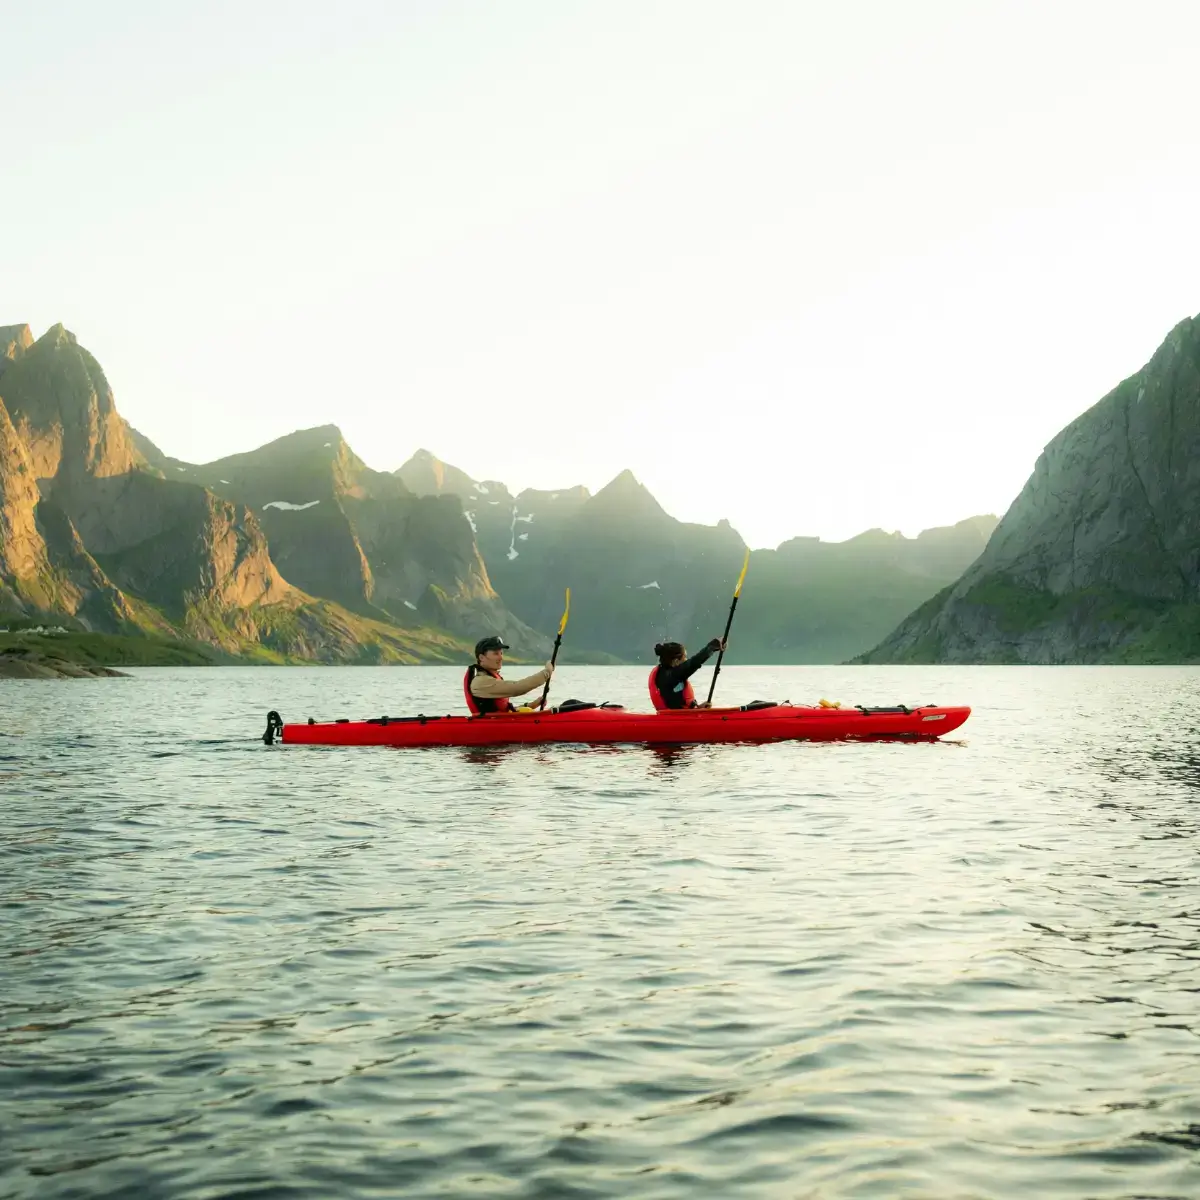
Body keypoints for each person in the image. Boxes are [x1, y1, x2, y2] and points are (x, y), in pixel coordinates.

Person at [463, 636, 555, 715]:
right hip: (492, 726)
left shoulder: (490, 678)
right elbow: (517, 688)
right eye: (496, 653)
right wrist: (547, 672)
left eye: (501, 653)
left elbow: (506, 710)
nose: (501, 657)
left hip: (499, 723)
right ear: (481, 657)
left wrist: (533, 705)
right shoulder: (481, 682)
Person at [648, 638, 726, 710]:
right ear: (676, 661)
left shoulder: (665, 674)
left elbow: (675, 701)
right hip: (676, 718)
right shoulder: (671, 676)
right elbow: (694, 662)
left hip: (679, 716)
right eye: (685, 657)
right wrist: (712, 646)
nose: (687, 660)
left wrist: (698, 707)